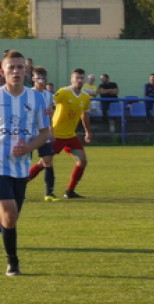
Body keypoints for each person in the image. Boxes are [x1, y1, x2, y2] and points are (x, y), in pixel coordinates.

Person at [1, 50, 51, 277]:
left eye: (20, 67)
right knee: (10, 212)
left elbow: (44, 132)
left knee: (12, 217)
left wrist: (29, 148)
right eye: (11, 67)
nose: (16, 71)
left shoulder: (37, 98)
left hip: (21, 167)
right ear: (3, 71)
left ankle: (9, 249)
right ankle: (13, 262)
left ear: (26, 71)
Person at [51, 68, 92, 200]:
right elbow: (49, 105)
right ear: (71, 79)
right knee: (44, 163)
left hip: (71, 136)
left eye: (81, 78)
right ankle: (19, 185)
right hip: (56, 134)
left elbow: (84, 115)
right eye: (77, 78)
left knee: (83, 161)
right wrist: (48, 127)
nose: (79, 81)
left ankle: (70, 191)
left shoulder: (85, 97)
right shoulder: (63, 92)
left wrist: (87, 131)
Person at [26, 66, 58, 202]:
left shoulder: (48, 95)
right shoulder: (27, 94)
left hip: (43, 133)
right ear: (33, 79)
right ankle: (17, 190)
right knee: (23, 163)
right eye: (38, 78)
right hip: (28, 133)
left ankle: (49, 193)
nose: (41, 80)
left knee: (48, 161)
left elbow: (49, 113)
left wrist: (51, 130)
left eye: (43, 78)